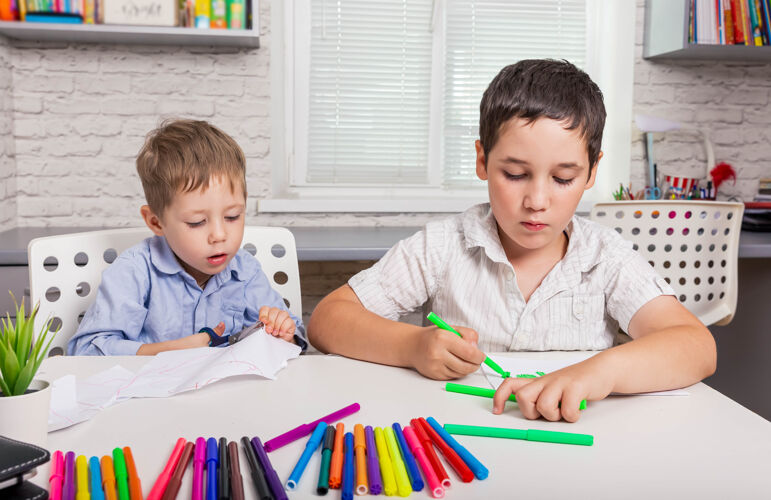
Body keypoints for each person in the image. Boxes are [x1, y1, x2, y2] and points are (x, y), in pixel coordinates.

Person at [308, 59, 715, 422]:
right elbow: (327, 321)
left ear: (592, 172)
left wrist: (597, 372)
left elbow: (696, 346)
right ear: (483, 161)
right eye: (516, 174)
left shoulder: (604, 256)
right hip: (460, 435)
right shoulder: (443, 246)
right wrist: (412, 346)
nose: (537, 201)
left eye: (563, 178)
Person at [68, 119, 306, 355]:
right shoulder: (135, 272)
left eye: (233, 216)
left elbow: (295, 334)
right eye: (197, 222)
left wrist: (285, 337)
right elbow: (85, 351)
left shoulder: (245, 271)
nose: (219, 235)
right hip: (152, 391)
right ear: (156, 222)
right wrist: (166, 350)